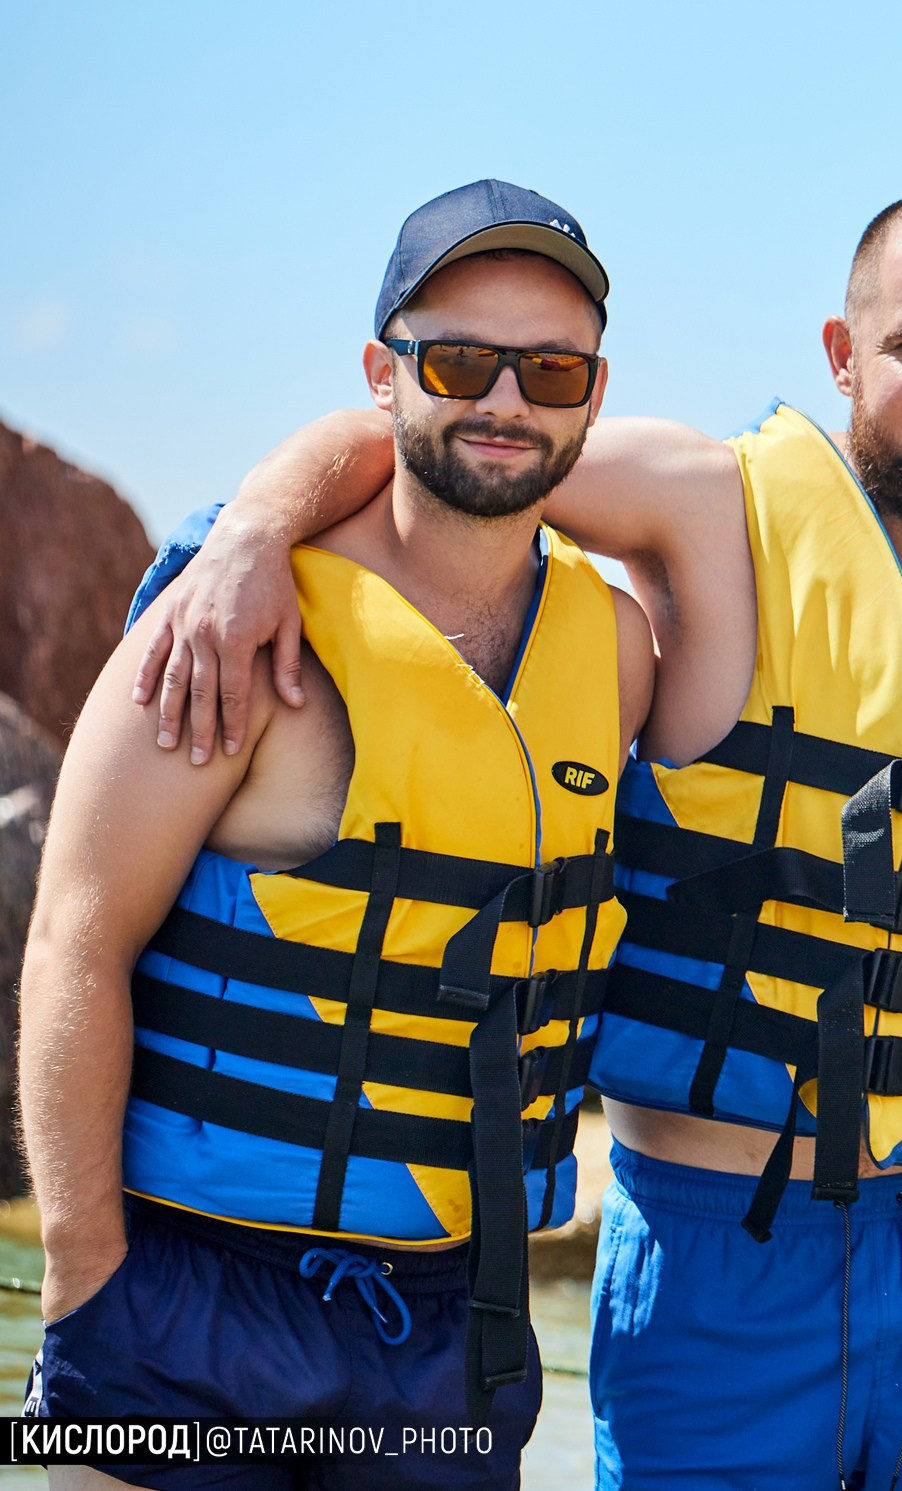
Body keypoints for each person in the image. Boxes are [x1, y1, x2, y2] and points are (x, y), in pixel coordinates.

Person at [130, 188, 902, 1491]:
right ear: (843, 354)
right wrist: (249, 536)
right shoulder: (705, 503)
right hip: (722, 1245)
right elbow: (435, 438)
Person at [22, 179, 654, 1489]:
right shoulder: (234, 629)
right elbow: (76, 939)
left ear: (594, 395)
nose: (504, 401)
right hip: (188, 1297)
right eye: (459, 362)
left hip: (452, 1324)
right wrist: (86, 1275)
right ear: (383, 374)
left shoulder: (618, 652)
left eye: (549, 371)